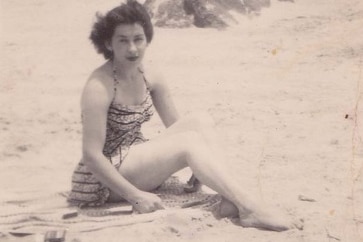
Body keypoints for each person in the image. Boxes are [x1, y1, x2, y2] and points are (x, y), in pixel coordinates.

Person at [68, 0, 301, 231]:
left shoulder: (151, 75)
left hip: (133, 157)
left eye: (138, 39)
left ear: (147, 39)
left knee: (200, 120)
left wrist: (202, 164)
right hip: (102, 181)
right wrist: (136, 196)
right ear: (108, 43)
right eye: (123, 40)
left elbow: (177, 127)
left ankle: (231, 199)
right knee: (188, 143)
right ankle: (249, 208)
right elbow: (91, 156)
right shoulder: (99, 86)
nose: (132, 49)